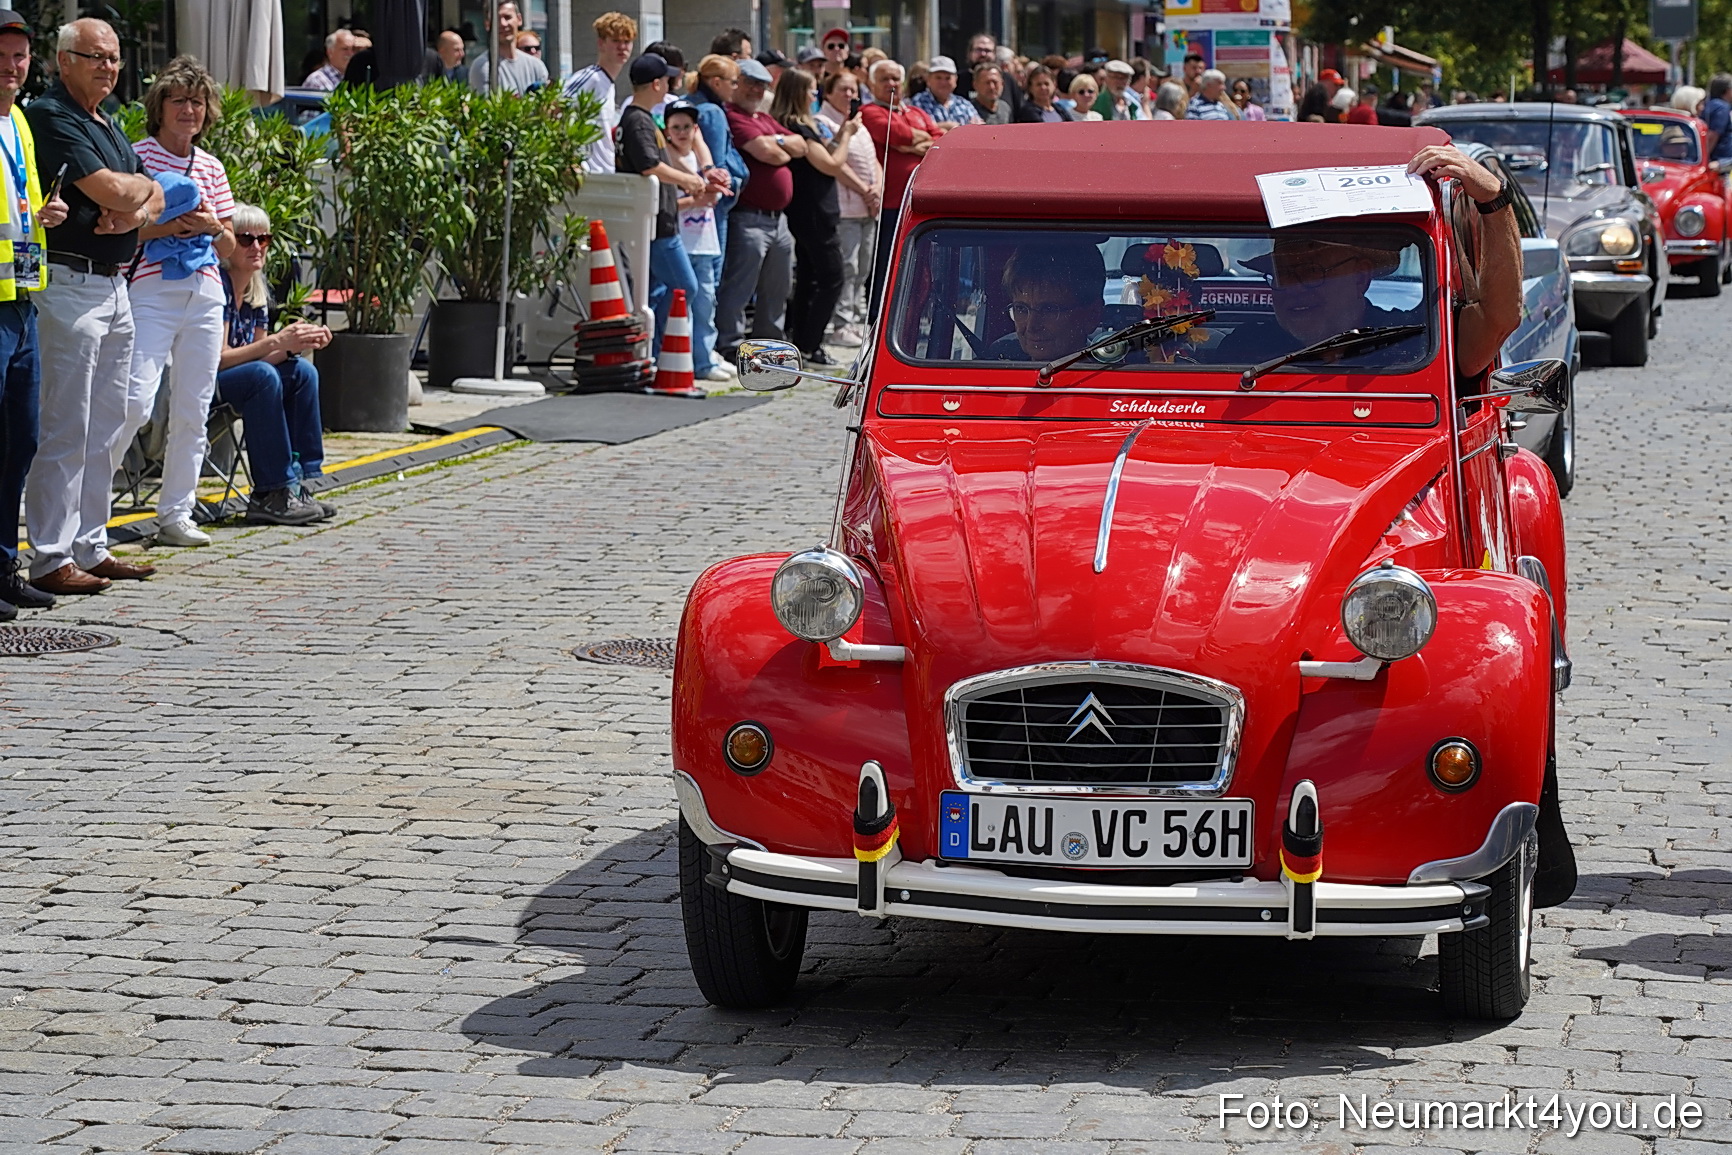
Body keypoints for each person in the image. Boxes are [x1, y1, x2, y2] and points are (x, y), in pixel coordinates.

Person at [25, 17, 164, 596]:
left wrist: (137, 207)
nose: (108, 67)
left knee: (112, 420)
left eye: (114, 58)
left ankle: (90, 543)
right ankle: (51, 554)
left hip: (114, 285)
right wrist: (134, 197)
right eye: (95, 56)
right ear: (64, 61)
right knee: (66, 424)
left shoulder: (108, 120)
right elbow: (112, 188)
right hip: (69, 281)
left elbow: (154, 190)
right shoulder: (53, 115)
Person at [113, 57, 235, 550]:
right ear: (159, 107)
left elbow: (228, 247)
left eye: (197, 101)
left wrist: (210, 228)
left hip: (205, 291)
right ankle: (88, 505)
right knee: (134, 400)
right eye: (179, 100)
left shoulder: (211, 166)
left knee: (194, 407)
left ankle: (176, 513)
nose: (189, 109)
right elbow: (125, 228)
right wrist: (170, 227)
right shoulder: (137, 156)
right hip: (151, 287)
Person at [0, 10, 65, 617]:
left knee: (22, 441)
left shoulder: (19, 120)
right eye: (2, 56)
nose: (11, 67)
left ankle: (4, 567)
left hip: (20, 300)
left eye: (20, 56)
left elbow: (18, 201)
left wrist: (44, 214)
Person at [215, 204, 332, 526]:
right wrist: (276, 343)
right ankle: (270, 491)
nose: (256, 247)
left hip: (247, 381)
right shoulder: (217, 289)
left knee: (301, 372)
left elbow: (261, 357)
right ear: (226, 245)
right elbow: (218, 360)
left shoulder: (255, 293)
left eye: (264, 239)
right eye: (246, 239)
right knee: (263, 376)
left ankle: (298, 482)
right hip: (200, 384)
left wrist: (297, 345)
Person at [772, 68, 870, 364]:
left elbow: (824, 151)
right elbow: (831, 164)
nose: (814, 94)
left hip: (813, 210)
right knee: (833, 277)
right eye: (811, 89)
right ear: (798, 93)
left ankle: (802, 341)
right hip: (814, 212)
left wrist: (841, 132)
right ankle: (810, 341)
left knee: (809, 278)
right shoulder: (796, 126)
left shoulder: (804, 124)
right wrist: (848, 138)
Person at [617, 54, 709, 364]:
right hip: (657, 224)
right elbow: (649, 166)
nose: (670, 85)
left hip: (659, 222)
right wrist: (689, 179)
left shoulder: (640, 117)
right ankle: (657, 353)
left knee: (658, 292)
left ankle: (653, 353)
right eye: (667, 80)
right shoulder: (639, 120)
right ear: (657, 84)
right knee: (686, 287)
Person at [714, 58, 801, 359]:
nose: (755, 90)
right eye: (750, 83)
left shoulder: (763, 119)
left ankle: (768, 346)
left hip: (779, 221)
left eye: (762, 85)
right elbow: (770, 154)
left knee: (778, 289)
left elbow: (801, 144)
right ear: (736, 84)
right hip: (748, 217)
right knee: (739, 286)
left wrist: (776, 141)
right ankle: (730, 344)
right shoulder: (732, 115)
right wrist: (780, 146)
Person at [862, 60, 944, 313]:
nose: (891, 84)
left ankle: (912, 315)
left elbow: (940, 139)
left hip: (917, 204)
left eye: (896, 79)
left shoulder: (916, 112)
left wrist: (908, 143)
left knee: (918, 267)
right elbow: (896, 135)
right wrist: (912, 140)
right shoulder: (870, 111)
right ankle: (879, 316)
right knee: (886, 267)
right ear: (872, 84)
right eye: (885, 79)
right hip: (889, 205)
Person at [817, 70, 880, 347]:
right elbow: (835, 163)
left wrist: (878, 186)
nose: (850, 95)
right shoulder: (824, 122)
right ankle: (841, 322)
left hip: (868, 210)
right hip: (846, 208)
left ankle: (855, 320)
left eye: (853, 89)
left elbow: (874, 159)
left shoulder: (858, 124)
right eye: (843, 89)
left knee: (863, 268)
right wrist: (864, 190)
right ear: (828, 92)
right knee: (848, 267)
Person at [663, 102, 726, 381]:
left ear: (695, 130)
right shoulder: (668, 162)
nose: (682, 133)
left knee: (706, 305)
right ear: (667, 132)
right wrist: (697, 199)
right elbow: (670, 205)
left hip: (706, 240)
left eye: (686, 127)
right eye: (675, 128)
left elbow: (717, 192)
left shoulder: (701, 162)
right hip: (683, 243)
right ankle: (689, 361)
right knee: (684, 307)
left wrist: (714, 193)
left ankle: (705, 358)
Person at [990, 242, 1106, 361]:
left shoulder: (1113, 376)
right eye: (1021, 309)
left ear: (1092, 316)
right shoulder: (997, 366)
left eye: (1048, 309)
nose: (1031, 326)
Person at [563, 12, 635, 175]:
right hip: (587, 173)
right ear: (601, 43)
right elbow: (554, 108)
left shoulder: (608, 83)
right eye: (615, 41)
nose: (622, 47)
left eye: (627, 41)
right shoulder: (590, 77)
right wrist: (571, 161)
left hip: (605, 171)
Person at [689, 54, 746, 263]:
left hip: (690, 199)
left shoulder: (688, 104)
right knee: (711, 271)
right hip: (713, 202)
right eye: (733, 82)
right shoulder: (712, 112)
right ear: (716, 82)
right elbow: (718, 163)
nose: (736, 87)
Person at [468, 1, 547, 95]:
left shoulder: (536, 66)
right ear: (487, 24)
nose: (503, 24)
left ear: (519, 19)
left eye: (507, 17)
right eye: (496, 19)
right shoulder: (482, 67)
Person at [911, 56, 980, 129]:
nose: (943, 83)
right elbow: (915, 129)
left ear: (955, 80)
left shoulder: (964, 105)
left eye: (948, 78)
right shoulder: (918, 103)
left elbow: (979, 128)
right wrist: (945, 127)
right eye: (938, 78)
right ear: (928, 79)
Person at [1704, 75, 1732, 163]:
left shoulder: (1710, 104)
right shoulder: (1722, 108)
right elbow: (1713, 135)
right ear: (1727, 90)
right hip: (1720, 162)